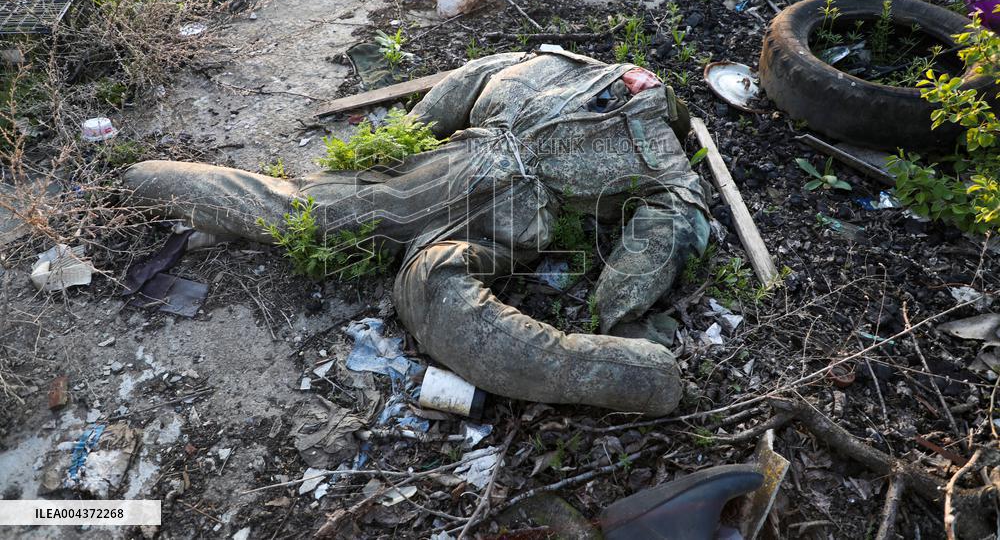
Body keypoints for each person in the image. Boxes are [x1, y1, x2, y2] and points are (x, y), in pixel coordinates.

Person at [125, 48, 710, 415]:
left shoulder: (558, 69)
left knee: (407, 267)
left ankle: (636, 376)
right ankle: (636, 374)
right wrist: (615, 308)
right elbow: (663, 238)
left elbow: (466, 83)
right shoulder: (643, 144)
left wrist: (401, 139)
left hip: (472, 209)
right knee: (335, 226)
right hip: (473, 205)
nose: (637, 85)